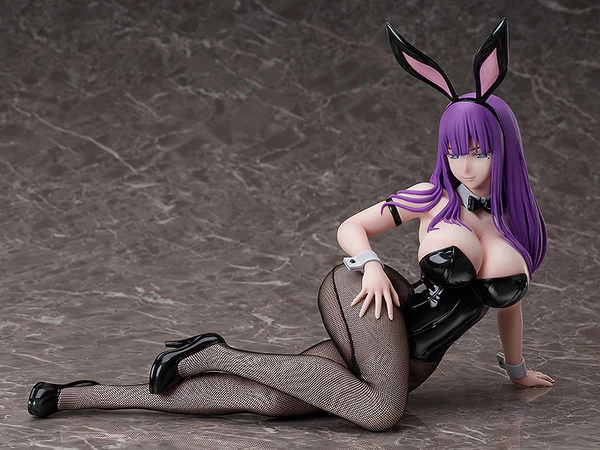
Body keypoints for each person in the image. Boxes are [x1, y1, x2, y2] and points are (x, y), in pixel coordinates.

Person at [27, 18, 554, 432]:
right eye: (455, 152)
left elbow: (509, 305)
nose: (465, 165)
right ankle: (215, 354)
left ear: (502, 146)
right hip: (373, 302)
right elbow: (351, 227)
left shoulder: (515, 226)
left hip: (410, 361)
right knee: (380, 412)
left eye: (478, 151)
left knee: (272, 403)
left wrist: (516, 371)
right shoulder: (431, 197)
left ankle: (78, 396)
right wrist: (370, 265)